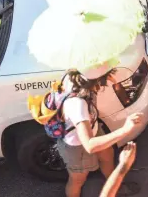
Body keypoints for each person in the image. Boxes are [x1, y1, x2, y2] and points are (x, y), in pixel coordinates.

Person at [56, 67, 143, 197]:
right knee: (78, 179)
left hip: (94, 129)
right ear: (94, 82)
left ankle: (115, 185)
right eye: (102, 82)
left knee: (107, 157)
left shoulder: (77, 76)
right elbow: (90, 145)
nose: (102, 86)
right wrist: (125, 129)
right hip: (77, 146)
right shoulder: (77, 104)